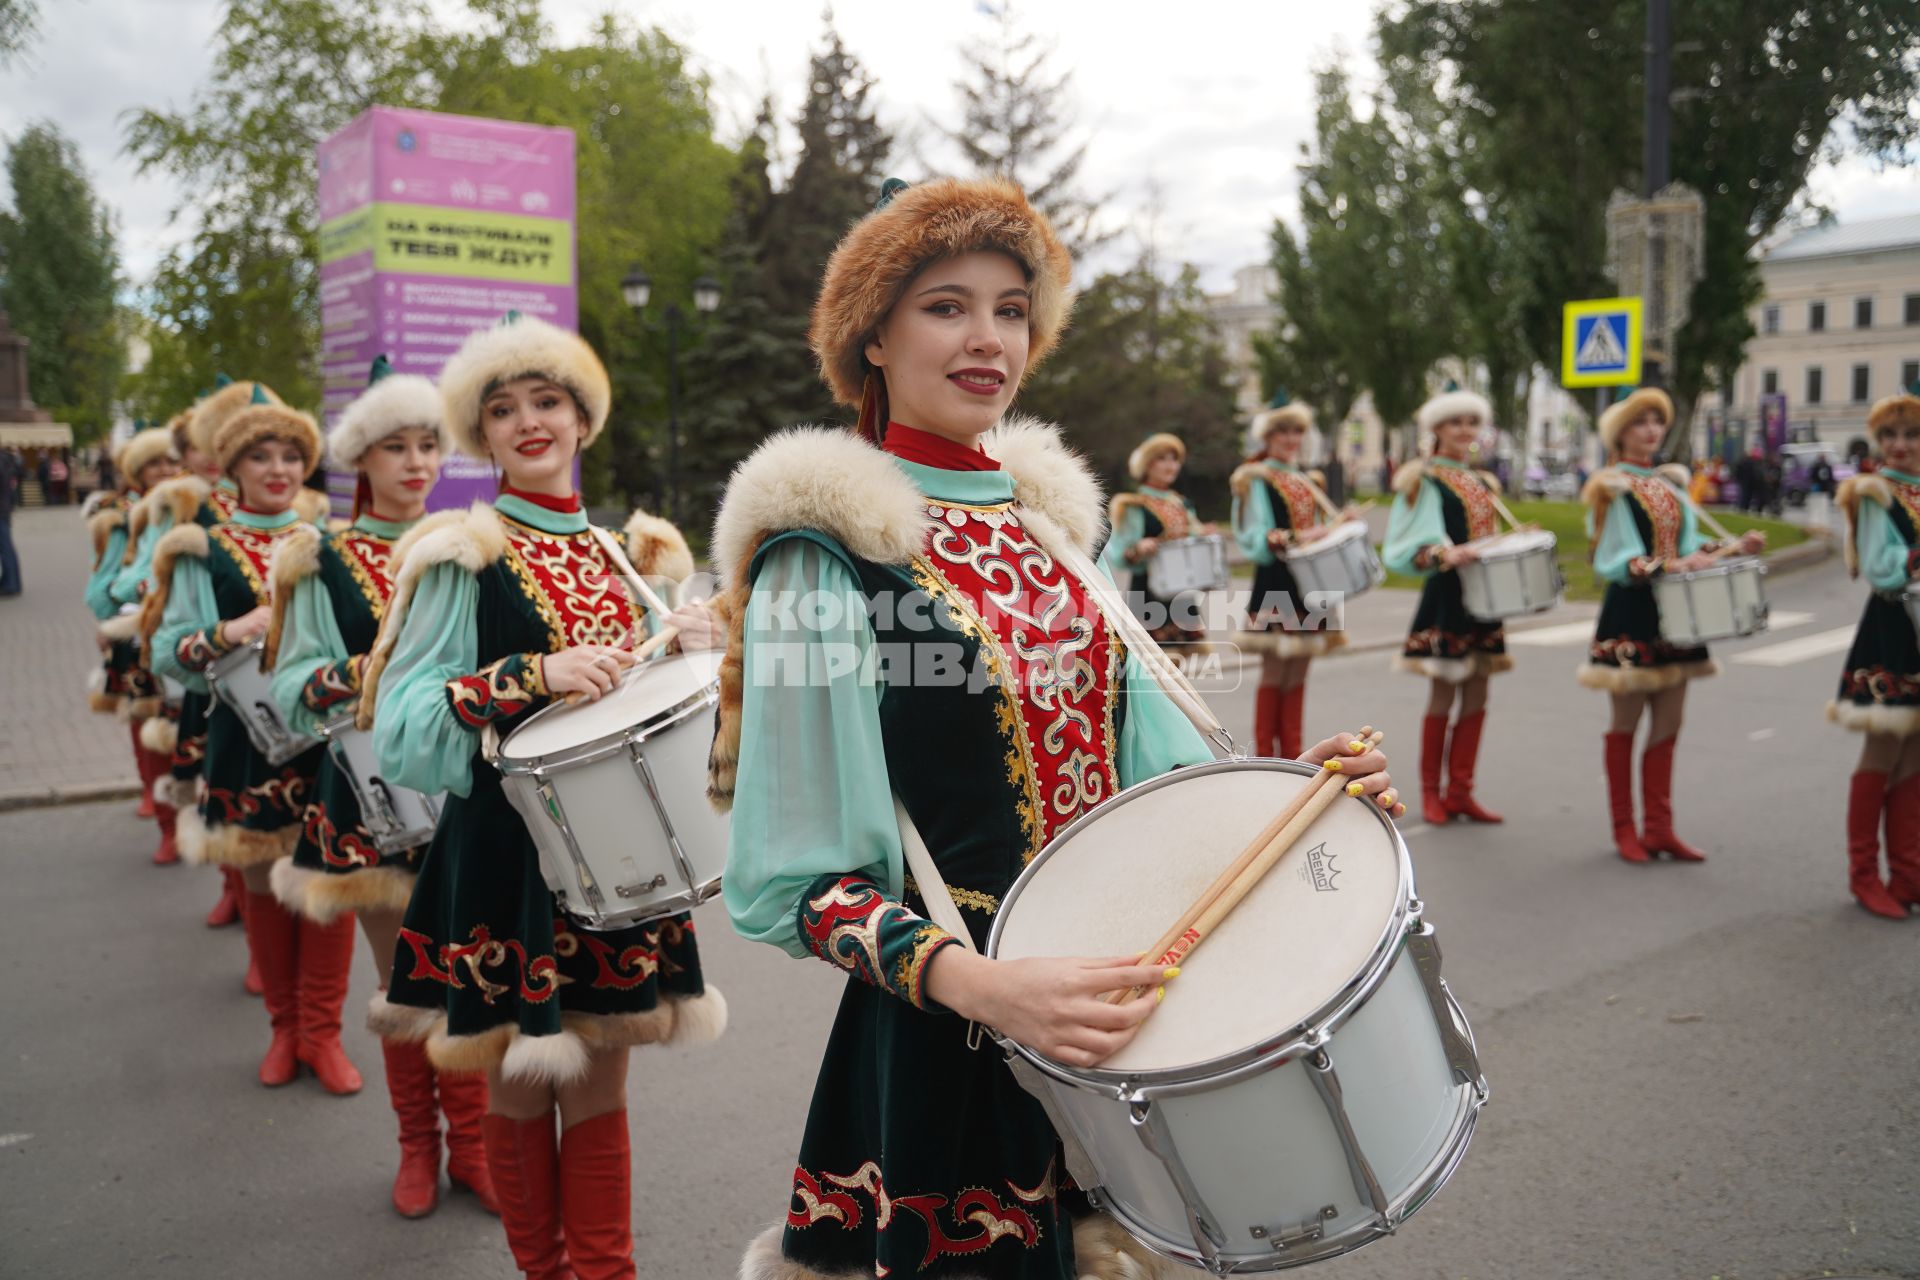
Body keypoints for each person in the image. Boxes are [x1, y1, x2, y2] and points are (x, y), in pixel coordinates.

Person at [709, 175, 1401, 1280]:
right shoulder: (824, 556)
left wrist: (1296, 796)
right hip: (950, 1034)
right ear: (872, 338)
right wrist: (985, 986)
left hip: (1110, 1015)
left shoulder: (1055, 538)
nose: (988, 337)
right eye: (945, 305)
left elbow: (1153, 783)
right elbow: (796, 882)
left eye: (1011, 308)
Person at [363, 313, 724, 1280]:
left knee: (603, 1085)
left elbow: (669, 720)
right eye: (503, 408)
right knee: (522, 1084)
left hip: (616, 862)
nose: (529, 420)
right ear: (482, 436)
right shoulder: (460, 554)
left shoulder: (632, 556)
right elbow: (401, 725)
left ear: (582, 420)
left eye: (548, 400)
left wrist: (697, 651)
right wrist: (528, 673)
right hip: (504, 859)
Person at [262, 357, 501, 1215]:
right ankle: (416, 1148)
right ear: (358, 460)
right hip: (366, 802)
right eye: (394, 447)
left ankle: (471, 1147)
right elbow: (290, 687)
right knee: (405, 980)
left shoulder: (470, 546)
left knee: (464, 974)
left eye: (428, 445)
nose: (415, 463)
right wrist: (367, 673)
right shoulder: (319, 558)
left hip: (464, 791)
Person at [146, 386, 355, 1091]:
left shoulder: (330, 543)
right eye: (260, 456)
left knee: (330, 879)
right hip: (247, 739)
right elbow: (165, 652)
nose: (278, 469)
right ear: (232, 466)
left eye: (292, 455)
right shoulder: (203, 547)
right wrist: (229, 632)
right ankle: (285, 1030)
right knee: (265, 881)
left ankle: (324, 1035)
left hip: (329, 738)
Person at [1576, 387, 1764, 863]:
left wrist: (1731, 549)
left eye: (1657, 421)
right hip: (1631, 613)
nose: (1652, 430)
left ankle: (1660, 827)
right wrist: (1663, 565)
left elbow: (1692, 545)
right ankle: (1625, 829)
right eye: (1641, 422)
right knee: (1626, 720)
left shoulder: (1671, 485)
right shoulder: (1611, 485)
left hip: (1676, 613)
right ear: (1621, 432)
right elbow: (1610, 556)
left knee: (1669, 721)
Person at [1383, 389, 1511, 824]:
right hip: (1447, 597)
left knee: (1478, 690)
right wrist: (1442, 554)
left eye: (1472, 422)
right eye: (1455, 422)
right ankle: (1431, 793)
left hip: (1484, 598)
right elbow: (1403, 545)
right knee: (1443, 692)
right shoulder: (1422, 478)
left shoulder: (1482, 480)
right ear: (1436, 428)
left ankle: (1461, 791)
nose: (1465, 430)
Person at [1829, 390, 1920, 920]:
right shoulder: (1873, 492)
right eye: (1889, 435)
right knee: (1882, 752)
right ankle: (1864, 876)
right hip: (1890, 628)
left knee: (1915, 754)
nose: (1900, 445)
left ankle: (1907, 874)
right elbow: (1882, 567)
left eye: (1910, 434)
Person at [1230, 404, 1363, 757]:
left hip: (1311, 585)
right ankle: (1265, 759)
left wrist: (1338, 523)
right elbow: (1254, 537)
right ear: (1268, 436)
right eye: (1282, 431)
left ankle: (1292, 757)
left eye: (1297, 431)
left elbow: (1318, 533)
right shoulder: (1254, 478)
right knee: (1274, 672)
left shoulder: (1308, 479)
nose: (1291, 439)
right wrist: (1300, 536)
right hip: (1276, 582)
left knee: (1299, 673)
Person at [83, 424, 180, 859]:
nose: (164, 470)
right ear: (137, 471)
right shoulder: (120, 514)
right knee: (147, 724)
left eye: (171, 461)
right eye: (154, 463)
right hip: (137, 638)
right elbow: (102, 585)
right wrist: (110, 622)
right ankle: (165, 822)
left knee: (194, 737)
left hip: (191, 641)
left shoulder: (196, 507)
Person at [1104, 431, 1216, 656]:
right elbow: (1118, 551)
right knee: (1152, 672)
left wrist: (1201, 534)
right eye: (1161, 458)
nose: (1170, 465)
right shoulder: (1133, 505)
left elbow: (1191, 535)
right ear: (1147, 464)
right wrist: (1138, 547)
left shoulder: (1181, 503)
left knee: (1181, 673)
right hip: (1148, 592)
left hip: (1180, 592)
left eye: (1174, 459)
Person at [0, 446, 22, 596]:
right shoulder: (6, 458)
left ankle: (11, 584)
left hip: (1, 507)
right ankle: (12, 581)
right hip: (5, 506)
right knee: (6, 547)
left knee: (5, 546)